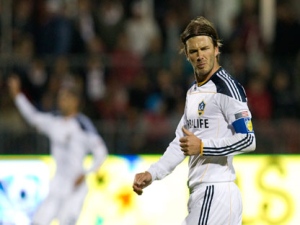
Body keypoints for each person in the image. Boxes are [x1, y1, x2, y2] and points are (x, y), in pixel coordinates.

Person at [132, 16, 256, 225]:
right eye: (194, 51)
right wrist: (152, 173)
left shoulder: (226, 88)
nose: (200, 55)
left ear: (216, 49)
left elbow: (248, 140)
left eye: (205, 48)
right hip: (203, 192)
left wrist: (203, 146)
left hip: (215, 191)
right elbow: (181, 142)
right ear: (186, 55)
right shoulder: (193, 92)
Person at [8, 75, 108, 225]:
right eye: (60, 98)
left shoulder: (82, 125)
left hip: (75, 187)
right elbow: (33, 117)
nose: (61, 101)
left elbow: (101, 152)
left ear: (75, 101)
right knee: (38, 221)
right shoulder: (54, 122)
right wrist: (17, 95)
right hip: (57, 184)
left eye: (65, 98)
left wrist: (86, 172)